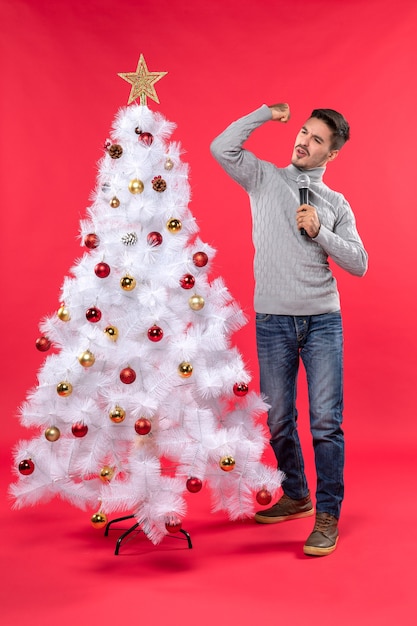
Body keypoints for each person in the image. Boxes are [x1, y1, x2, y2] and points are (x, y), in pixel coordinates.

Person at [210, 102, 368, 556]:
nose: (304, 141)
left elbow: (359, 264)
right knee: (279, 418)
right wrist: (263, 114)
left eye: (317, 140)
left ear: (331, 155)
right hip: (272, 320)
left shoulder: (335, 204)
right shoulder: (263, 178)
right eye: (303, 132)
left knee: (325, 423)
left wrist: (320, 231)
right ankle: (296, 494)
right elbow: (221, 147)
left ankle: (326, 515)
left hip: (322, 321)